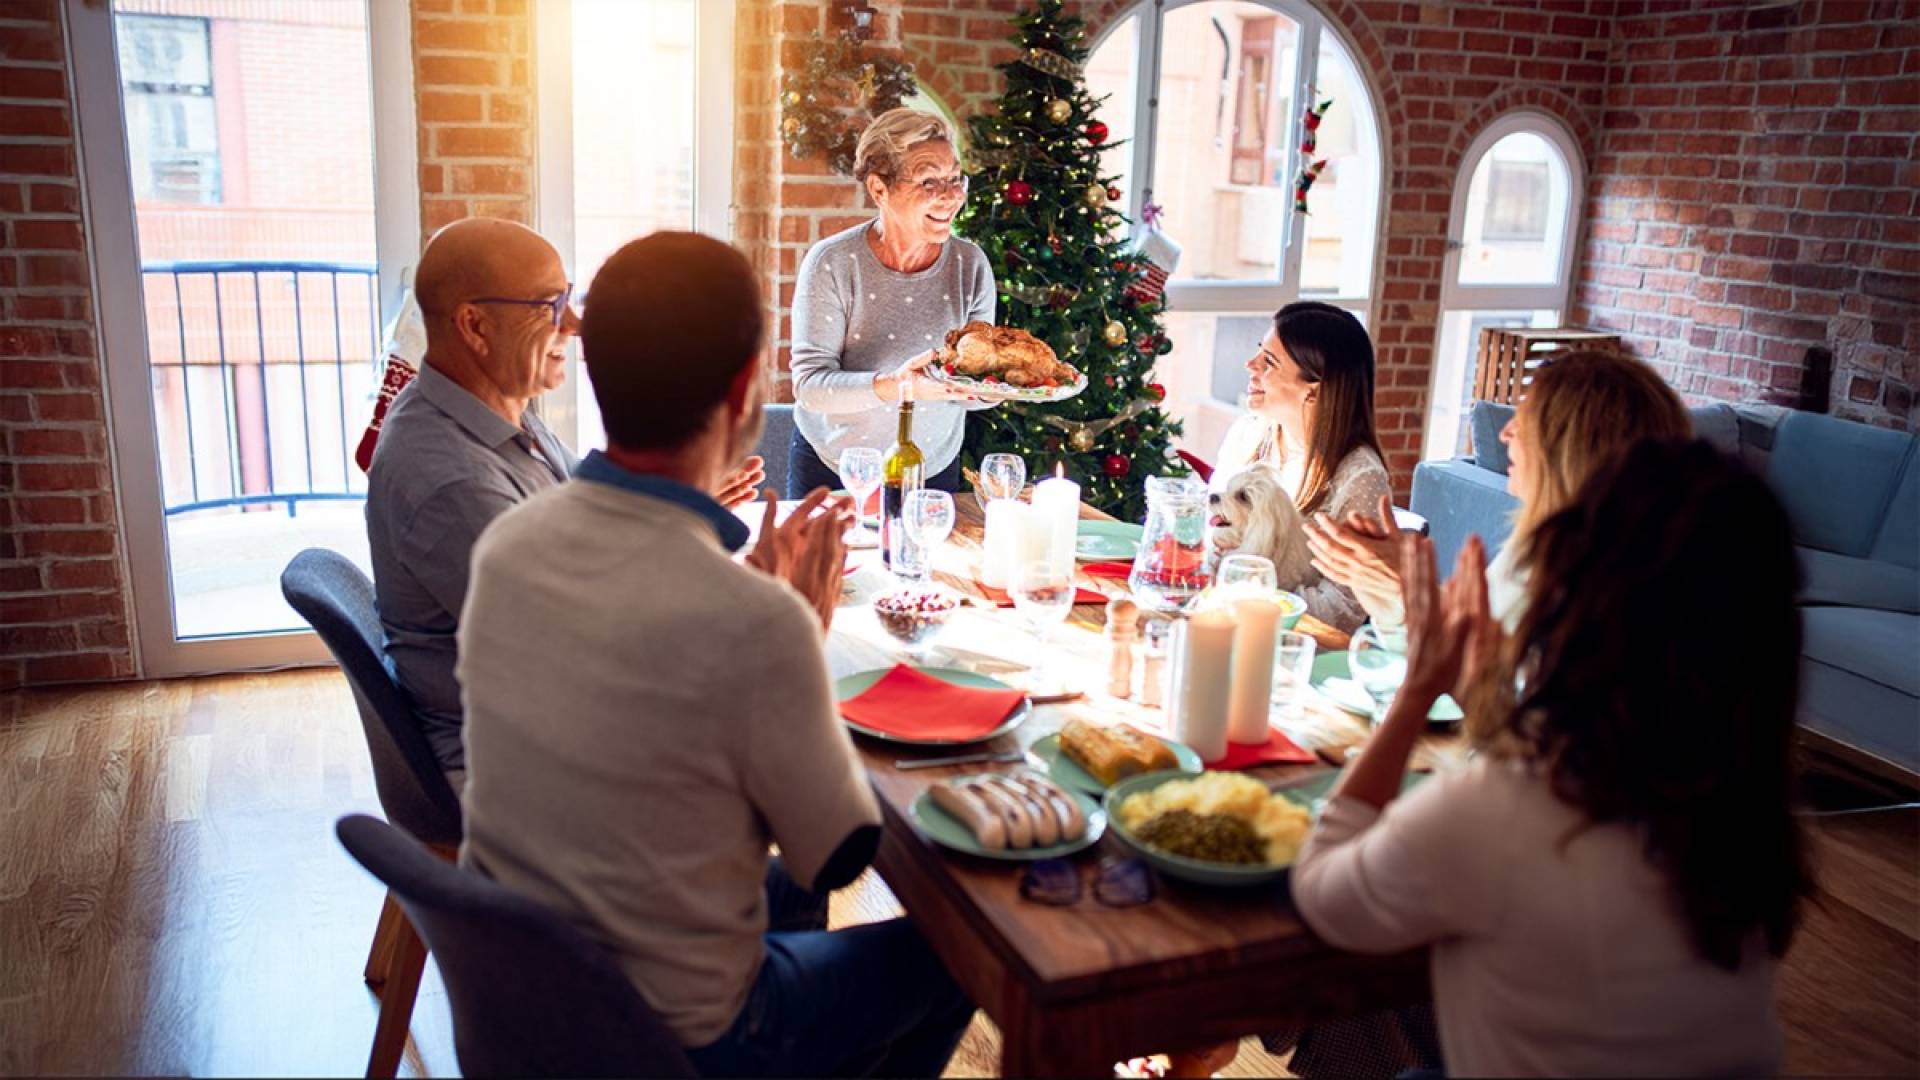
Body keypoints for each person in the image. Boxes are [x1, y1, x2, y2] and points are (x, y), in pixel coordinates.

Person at [456, 231, 976, 1077]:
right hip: (678, 1035)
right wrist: (796, 633)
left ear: (591, 369)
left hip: (527, 997)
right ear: (745, 392)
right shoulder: (748, 620)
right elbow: (836, 853)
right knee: (959, 956)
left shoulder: (507, 546)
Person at [1293, 439, 1810, 1076]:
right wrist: (1478, 692)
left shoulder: (1506, 808)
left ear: (1579, 601)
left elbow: (1326, 896)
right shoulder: (1748, 817)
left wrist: (1417, 692)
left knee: (1361, 1000)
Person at [364, 218, 763, 788]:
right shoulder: (450, 480)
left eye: (569, 298)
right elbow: (588, 648)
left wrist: (682, 496)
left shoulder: (497, 409)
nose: (573, 324)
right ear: (475, 325)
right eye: (548, 305)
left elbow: (582, 522)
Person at [1305, 349, 1691, 634]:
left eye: (1527, 420)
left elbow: (1483, 685)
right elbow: (1441, 652)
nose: (1506, 433)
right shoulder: (1534, 544)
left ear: (1572, 445)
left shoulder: (1607, 592)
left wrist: (1412, 589)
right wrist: (1391, 593)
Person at [788, 107, 1010, 497]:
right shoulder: (833, 262)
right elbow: (810, 386)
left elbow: (978, 393)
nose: (951, 196)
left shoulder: (970, 265)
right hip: (837, 467)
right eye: (928, 181)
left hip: (931, 468)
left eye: (956, 179)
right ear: (879, 190)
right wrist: (899, 385)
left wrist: (999, 384)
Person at [1210, 300, 1390, 631]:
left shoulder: (1360, 479)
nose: (1251, 365)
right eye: (1258, 352)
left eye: (1270, 362)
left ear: (1313, 390)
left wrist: (1251, 593)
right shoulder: (1248, 434)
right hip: (1221, 621)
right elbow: (1210, 533)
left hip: (1292, 647)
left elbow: (1343, 608)